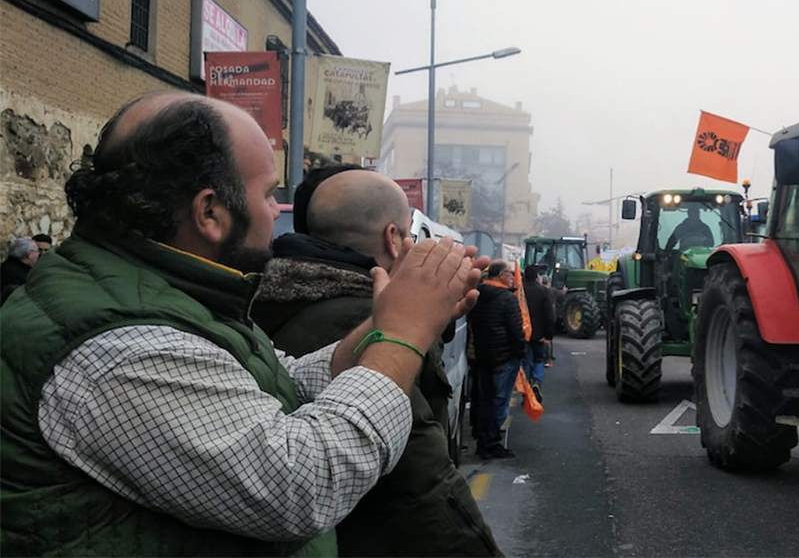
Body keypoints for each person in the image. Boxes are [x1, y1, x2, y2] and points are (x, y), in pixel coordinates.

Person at [0, 93, 481, 557]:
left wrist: (390, 315)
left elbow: (285, 384)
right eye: (269, 194)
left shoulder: (163, 292)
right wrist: (402, 335)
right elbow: (301, 484)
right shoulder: (119, 347)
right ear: (209, 212)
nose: (277, 213)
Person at [252, 166, 503, 558]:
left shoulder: (259, 298)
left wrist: (422, 315)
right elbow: (422, 489)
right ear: (393, 237)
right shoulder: (357, 318)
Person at [470, 260, 526, 459]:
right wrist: (520, 352)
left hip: (483, 355)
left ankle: (482, 441)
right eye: (510, 274)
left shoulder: (477, 295)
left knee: (485, 400)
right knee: (499, 401)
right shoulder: (507, 299)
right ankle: (493, 443)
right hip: (505, 357)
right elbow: (515, 329)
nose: (512, 277)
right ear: (501, 275)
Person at [523, 264, 557, 403]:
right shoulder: (544, 291)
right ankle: (537, 381)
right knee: (539, 360)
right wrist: (548, 334)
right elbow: (549, 315)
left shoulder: (520, 291)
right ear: (537, 276)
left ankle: (527, 390)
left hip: (523, 333)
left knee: (526, 361)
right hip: (539, 334)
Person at [0, 236, 39, 306]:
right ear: (29, 254)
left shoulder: (7, 266)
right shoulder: (22, 274)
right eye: (36, 251)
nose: (38, 254)